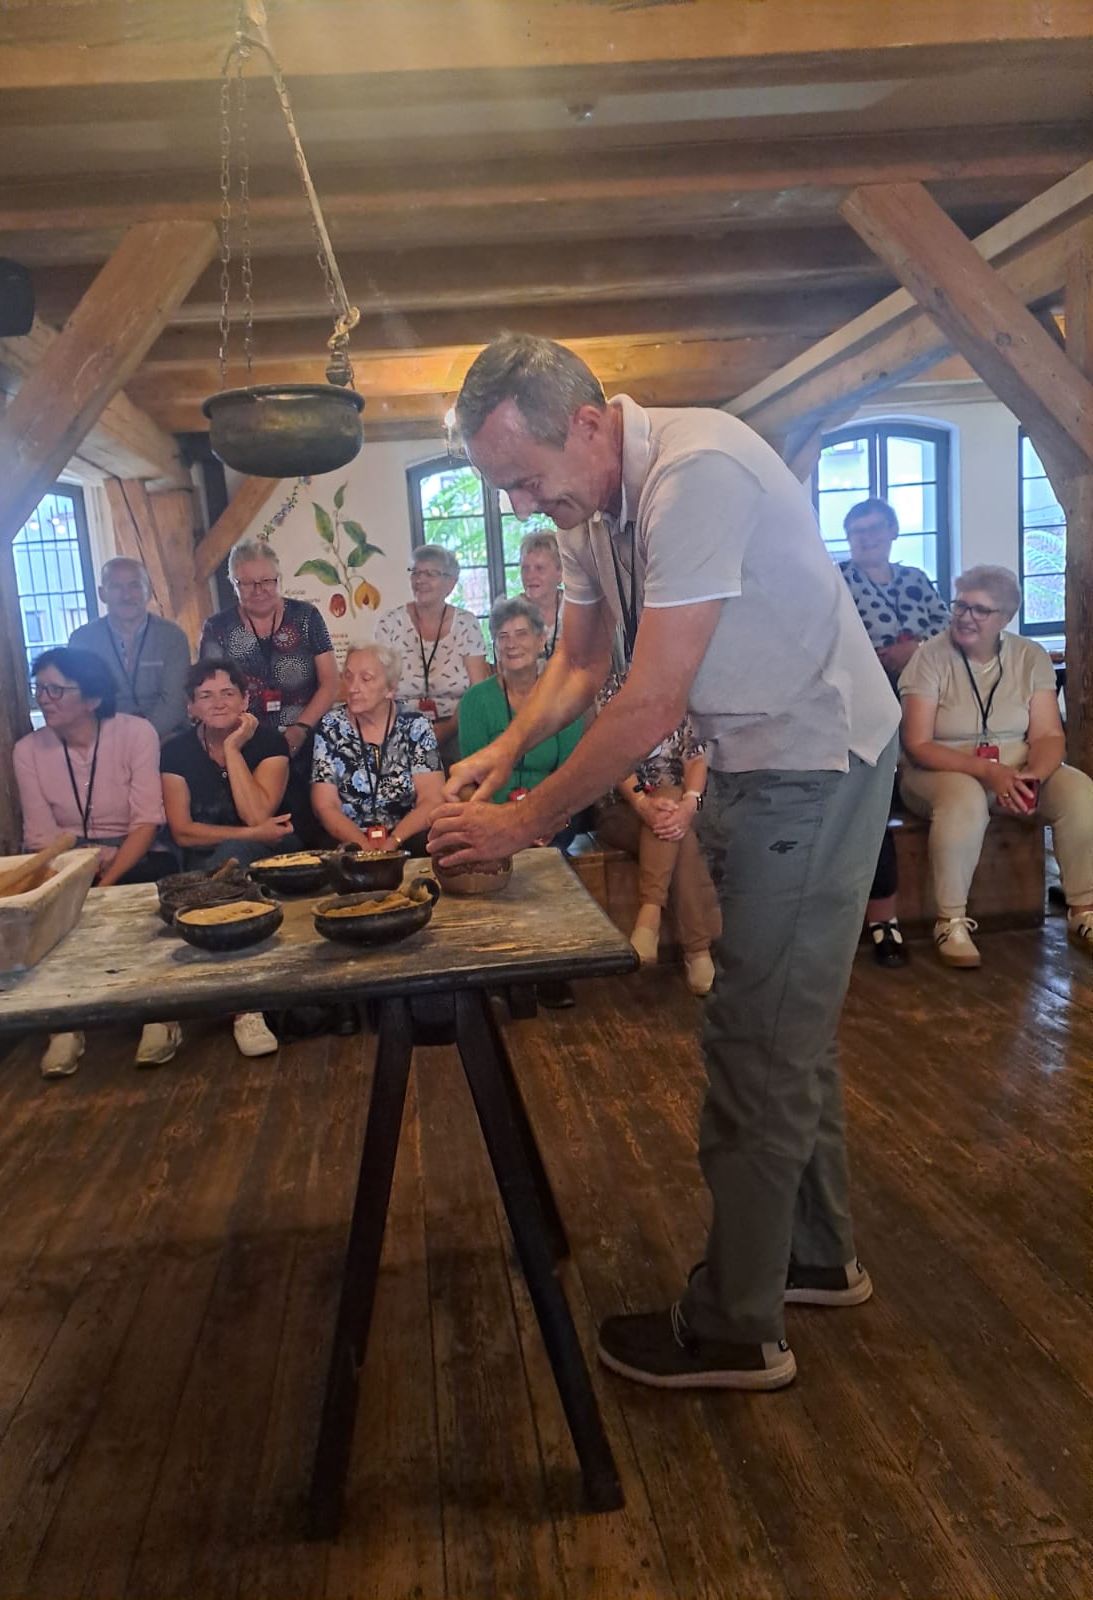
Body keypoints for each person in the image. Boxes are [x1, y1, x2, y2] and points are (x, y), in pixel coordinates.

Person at [428, 333, 899, 1392]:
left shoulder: (699, 471)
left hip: (819, 758)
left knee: (754, 1040)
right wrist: (503, 750)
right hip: (754, 756)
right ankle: (816, 1256)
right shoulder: (591, 506)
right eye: (505, 490)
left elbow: (648, 701)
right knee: (783, 1023)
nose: (523, 506)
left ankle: (737, 1328)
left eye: (525, 480)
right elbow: (581, 661)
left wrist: (522, 823)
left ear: (588, 424)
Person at [899, 564, 1093, 968]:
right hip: (939, 770)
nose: (965, 617)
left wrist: (1032, 777)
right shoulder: (930, 657)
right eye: (960, 606)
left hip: (1014, 767)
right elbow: (917, 744)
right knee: (965, 798)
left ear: (1005, 617)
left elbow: (1048, 735)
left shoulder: (1030, 656)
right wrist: (990, 772)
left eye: (980, 610)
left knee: (1078, 791)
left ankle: (1083, 910)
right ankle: (950, 920)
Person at [13, 647, 181, 1077]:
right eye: (39, 689)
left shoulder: (136, 733)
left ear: (91, 698)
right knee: (46, 910)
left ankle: (160, 1014)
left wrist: (106, 880)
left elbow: (147, 821)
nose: (44, 699)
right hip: (66, 859)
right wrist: (81, 870)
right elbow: (41, 837)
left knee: (147, 895)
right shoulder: (28, 750)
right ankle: (64, 1023)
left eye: (55, 690)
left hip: (136, 851)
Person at [161, 660, 301, 1059]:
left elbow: (257, 815)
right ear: (190, 706)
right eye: (205, 695)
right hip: (208, 857)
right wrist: (250, 834)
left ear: (245, 700)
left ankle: (244, 1010)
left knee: (231, 859)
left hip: (275, 851)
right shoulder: (175, 752)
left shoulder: (270, 743)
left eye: (228, 693)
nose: (218, 703)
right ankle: (170, 1008)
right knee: (220, 862)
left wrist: (233, 749)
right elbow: (183, 831)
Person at [839, 497, 951, 968]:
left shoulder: (915, 579)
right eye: (856, 532)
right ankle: (880, 918)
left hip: (923, 689)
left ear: (892, 532)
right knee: (873, 807)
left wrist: (915, 648)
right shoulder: (839, 579)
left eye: (874, 529)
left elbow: (946, 629)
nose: (866, 539)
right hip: (863, 695)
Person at [199, 536, 339, 840]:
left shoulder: (306, 617)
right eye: (247, 583)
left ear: (279, 579)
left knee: (310, 825)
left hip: (306, 738)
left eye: (266, 581)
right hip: (245, 742)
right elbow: (209, 687)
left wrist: (301, 728)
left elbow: (330, 683)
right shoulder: (217, 627)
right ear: (233, 584)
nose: (258, 590)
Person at [594, 668, 720, 994]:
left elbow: (696, 758)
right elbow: (612, 758)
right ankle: (698, 950)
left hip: (676, 808)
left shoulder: (686, 686)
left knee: (673, 810)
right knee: (675, 823)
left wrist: (689, 802)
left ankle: (649, 917)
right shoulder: (614, 687)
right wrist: (641, 802)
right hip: (620, 808)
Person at [458, 594, 584, 848]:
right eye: (503, 636)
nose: (511, 644)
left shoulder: (563, 696)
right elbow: (468, 780)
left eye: (521, 634)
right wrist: (498, 822)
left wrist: (546, 820)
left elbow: (570, 776)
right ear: (495, 646)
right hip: (494, 815)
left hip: (552, 813)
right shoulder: (475, 700)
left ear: (541, 640)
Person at [311, 644, 445, 854]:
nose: (352, 688)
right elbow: (325, 806)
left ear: (390, 688)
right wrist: (364, 848)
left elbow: (432, 799)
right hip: (349, 839)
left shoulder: (415, 724)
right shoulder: (331, 726)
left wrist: (393, 842)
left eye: (366, 679)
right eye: (348, 677)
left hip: (406, 836)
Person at [374, 543, 487, 767]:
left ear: (450, 583)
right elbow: (380, 686)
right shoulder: (390, 623)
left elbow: (478, 690)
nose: (420, 580)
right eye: (416, 572)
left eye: (430, 574)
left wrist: (449, 728)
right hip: (402, 726)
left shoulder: (467, 623)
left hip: (458, 725)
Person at [68, 557, 192, 740]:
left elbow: (175, 702)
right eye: (116, 586)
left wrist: (141, 738)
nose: (126, 596)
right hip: (104, 738)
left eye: (135, 586)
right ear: (102, 594)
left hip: (166, 737)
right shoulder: (82, 641)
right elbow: (78, 699)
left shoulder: (172, 637)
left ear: (149, 591)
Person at [517, 530, 565, 659]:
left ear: (560, 573)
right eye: (525, 568)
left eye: (539, 568)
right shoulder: (510, 614)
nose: (530, 576)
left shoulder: (577, 611)